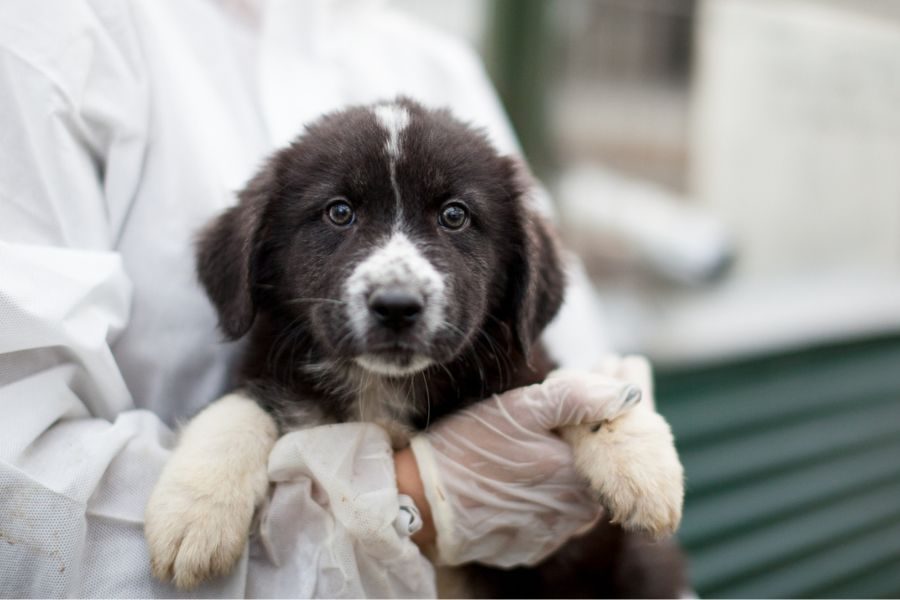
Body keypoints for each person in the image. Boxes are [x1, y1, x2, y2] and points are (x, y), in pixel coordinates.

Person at [0, 0, 647, 596]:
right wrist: (409, 500)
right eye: (338, 212)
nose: (397, 281)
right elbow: (19, 488)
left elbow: (590, 378)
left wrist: (608, 428)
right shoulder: (55, 34)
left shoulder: (438, 62)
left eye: (453, 218)